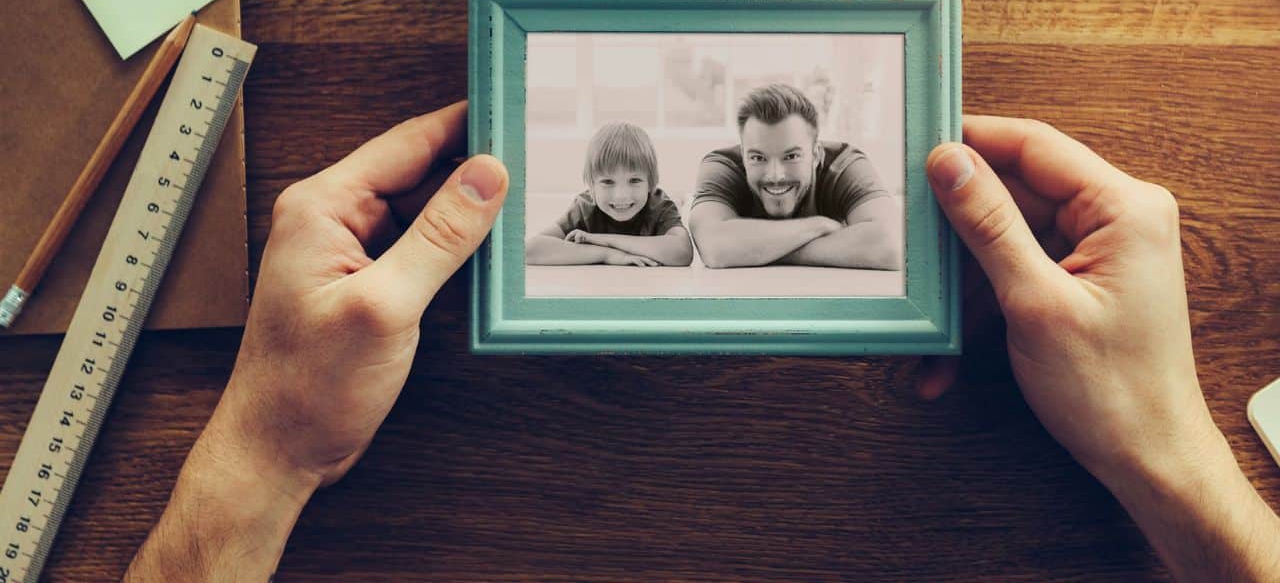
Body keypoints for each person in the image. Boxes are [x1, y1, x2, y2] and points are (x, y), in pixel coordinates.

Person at [122, 101, 1280, 581]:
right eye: (611, 178)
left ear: (816, 151)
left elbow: (703, 252)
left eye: (796, 163)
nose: (776, 172)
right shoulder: (707, 179)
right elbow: (707, 247)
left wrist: (264, 455)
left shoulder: (817, 175)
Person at [687, 83, 901, 270]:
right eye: (758, 158)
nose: (775, 175)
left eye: (791, 156)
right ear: (742, 155)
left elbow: (894, 244)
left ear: (816, 154)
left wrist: (754, 250)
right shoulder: (722, 165)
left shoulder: (844, 164)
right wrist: (817, 226)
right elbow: (715, 246)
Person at [525, 121, 693, 267]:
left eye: (634, 180)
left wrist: (601, 239)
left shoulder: (659, 205)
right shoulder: (585, 207)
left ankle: (681, 200)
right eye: (607, 182)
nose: (621, 195)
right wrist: (607, 254)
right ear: (591, 186)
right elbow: (530, 249)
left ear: (651, 183)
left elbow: (682, 252)